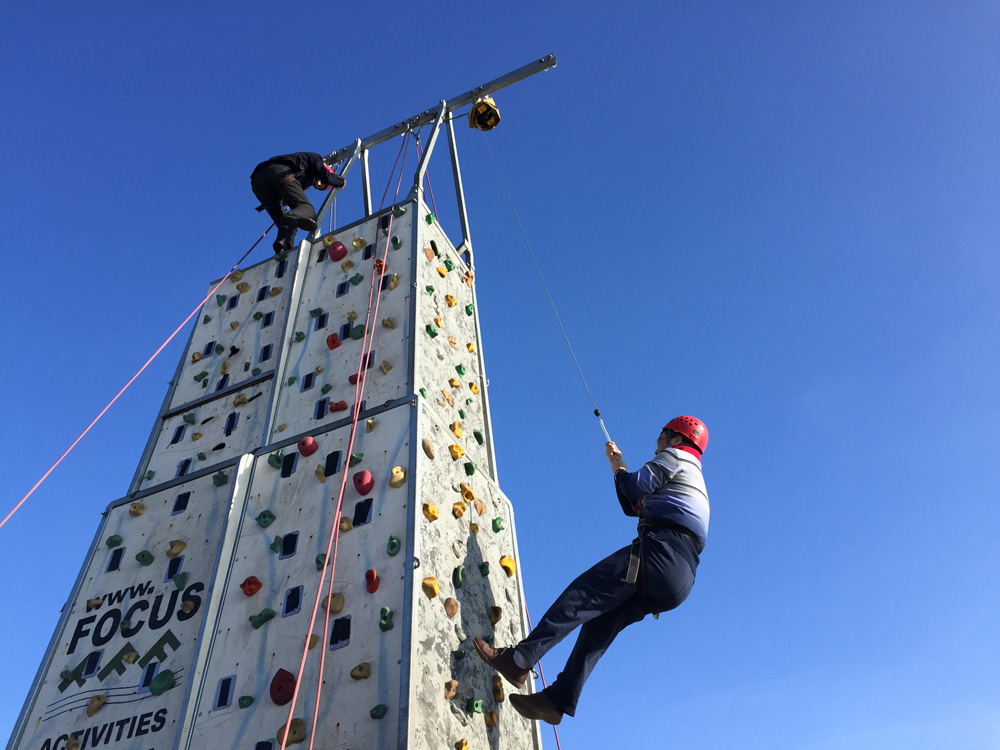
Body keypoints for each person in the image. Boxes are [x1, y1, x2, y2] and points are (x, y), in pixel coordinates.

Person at [474, 416, 710, 725]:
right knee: (599, 625)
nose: (656, 445)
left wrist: (620, 469)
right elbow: (632, 505)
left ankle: (519, 660)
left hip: (660, 552)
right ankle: (559, 698)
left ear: (677, 439)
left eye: (661, 438)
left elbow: (635, 486)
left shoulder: (677, 456)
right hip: (679, 577)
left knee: (582, 595)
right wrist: (618, 468)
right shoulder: (693, 477)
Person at [251, 152, 346, 256]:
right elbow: (326, 175)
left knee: (288, 224)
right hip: (279, 172)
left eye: (319, 188)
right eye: (321, 182)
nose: (318, 184)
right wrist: (340, 182)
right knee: (307, 210)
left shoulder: (303, 177)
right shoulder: (316, 158)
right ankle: (289, 223)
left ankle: (282, 249)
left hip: (258, 182)